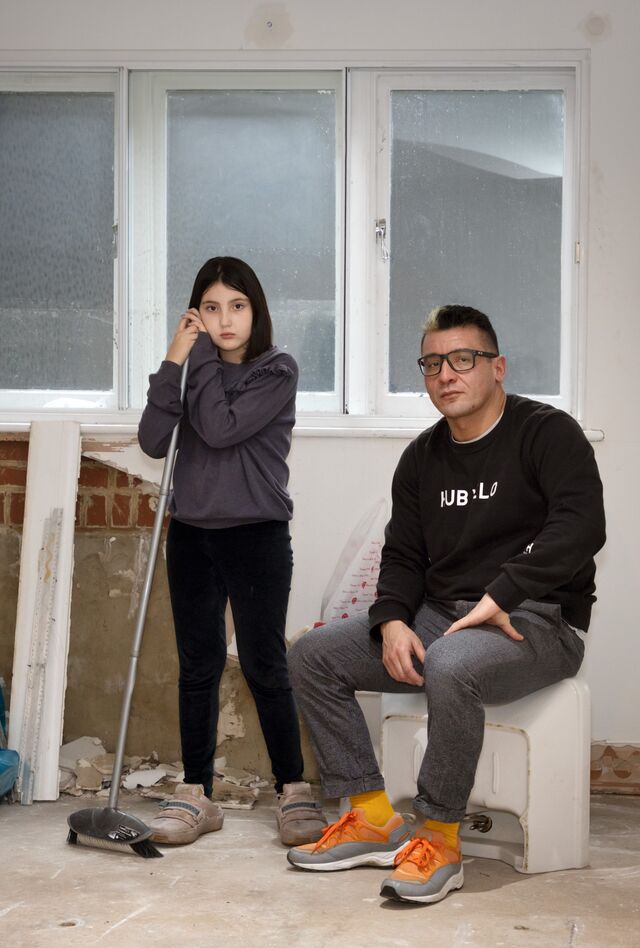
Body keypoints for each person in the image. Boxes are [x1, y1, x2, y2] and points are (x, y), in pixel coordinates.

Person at [286, 304, 605, 903]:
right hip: (443, 615)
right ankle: (375, 816)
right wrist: (393, 622)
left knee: (453, 664)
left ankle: (438, 837)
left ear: (498, 367)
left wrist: (502, 594)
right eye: (433, 363)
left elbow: (581, 525)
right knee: (312, 655)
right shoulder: (420, 459)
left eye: (463, 359)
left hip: (538, 618)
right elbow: (403, 557)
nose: (446, 374)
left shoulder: (546, 433)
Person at [137, 256, 327, 848]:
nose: (225, 321)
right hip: (192, 534)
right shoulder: (190, 366)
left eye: (237, 307)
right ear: (196, 314)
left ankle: (292, 788)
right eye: (212, 308)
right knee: (198, 667)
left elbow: (218, 428)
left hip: (256, 534)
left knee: (265, 663)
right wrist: (174, 357)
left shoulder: (278, 370)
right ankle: (197, 793)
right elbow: (151, 439)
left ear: (256, 311)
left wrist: (196, 364)